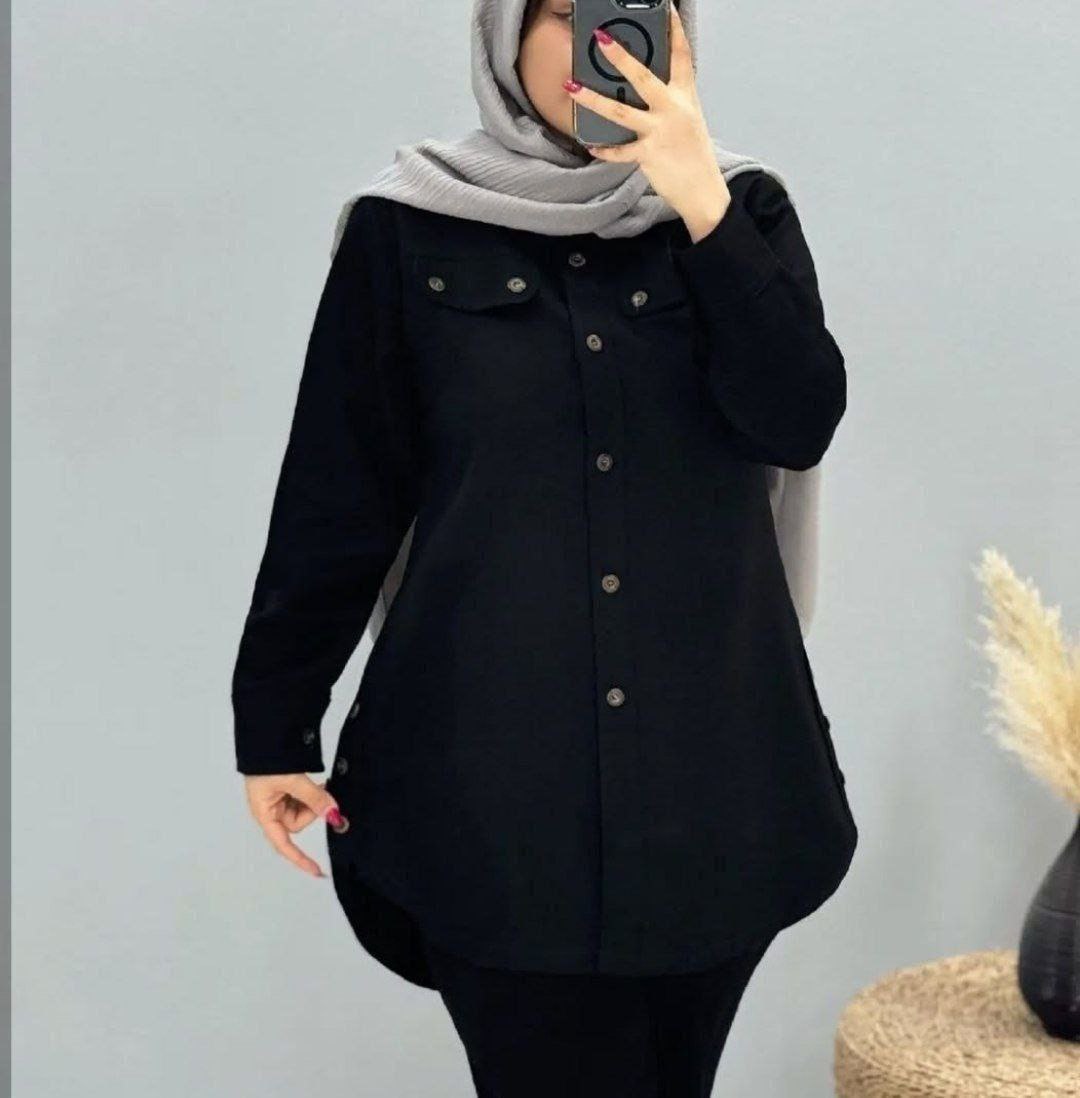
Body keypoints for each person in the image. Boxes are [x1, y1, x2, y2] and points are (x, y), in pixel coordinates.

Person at [230, 0, 858, 1094]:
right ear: (505, 32)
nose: (603, 47)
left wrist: (699, 199)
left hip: (715, 786)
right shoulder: (405, 226)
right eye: (569, 13)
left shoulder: (740, 207)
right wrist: (275, 724)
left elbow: (796, 420)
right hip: (488, 795)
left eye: (636, 11)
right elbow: (341, 487)